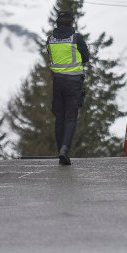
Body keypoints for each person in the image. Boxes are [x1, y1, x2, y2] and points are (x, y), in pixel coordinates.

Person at [46, 10, 91, 165]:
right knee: (71, 118)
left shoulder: (50, 39)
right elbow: (86, 57)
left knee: (59, 117)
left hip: (57, 82)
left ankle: (60, 151)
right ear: (72, 23)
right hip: (73, 82)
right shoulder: (76, 38)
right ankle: (64, 149)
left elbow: (51, 57)